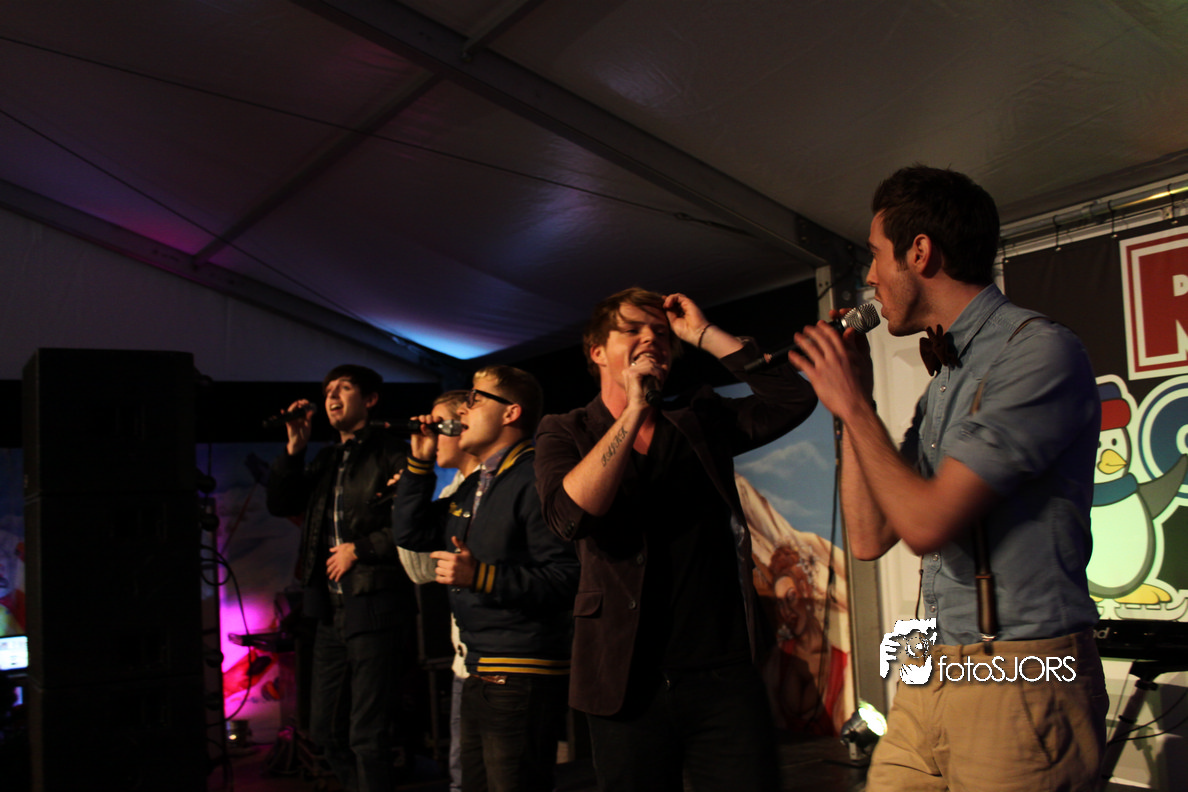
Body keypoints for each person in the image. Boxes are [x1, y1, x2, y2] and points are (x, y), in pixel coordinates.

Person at [789, 165, 1107, 791]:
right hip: (930, 672)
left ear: (920, 252)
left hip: (1020, 674)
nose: (870, 277)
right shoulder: (945, 382)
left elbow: (926, 523)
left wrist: (852, 404)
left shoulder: (1037, 351)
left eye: (876, 255)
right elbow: (868, 537)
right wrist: (859, 403)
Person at [534, 288, 818, 792]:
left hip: (721, 673)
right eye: (632, 330)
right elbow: (570, 516)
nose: (651, 339)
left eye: (661, 334)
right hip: (625, 680)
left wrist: (705, 334)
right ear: (597, 351)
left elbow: (793, 399)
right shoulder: (565, 430)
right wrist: (632, 412)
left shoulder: (699, 417)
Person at [392, 366, 579, 792]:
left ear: (511, 412)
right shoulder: (478, 482)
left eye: (476, 400)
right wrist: (418, 464)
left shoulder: (535, 478)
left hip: (521, 669)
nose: (464, 409)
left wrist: (482, 576)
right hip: (480, 665)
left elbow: (568, 577)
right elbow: (412, 533)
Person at [266, 364, 413, 792]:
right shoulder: (326, 459)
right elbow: (281, 503)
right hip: (329, 611)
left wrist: (359, 548)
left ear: (370, 399)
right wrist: (294, 449)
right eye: (328, 390)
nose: (331, 396)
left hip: (374, 604)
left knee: (368, 735)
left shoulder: (392, 451)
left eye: (343, 388)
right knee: (325, 732)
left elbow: (411, 524)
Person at [394, 390, 479, 792]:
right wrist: (408, 496)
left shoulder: (501, 484)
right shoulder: (451, 495)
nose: (431, 433)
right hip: (465, 664)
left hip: (505, 662)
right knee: (462, 777)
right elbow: (419, 570)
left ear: (467, 424)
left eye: (440, 424)